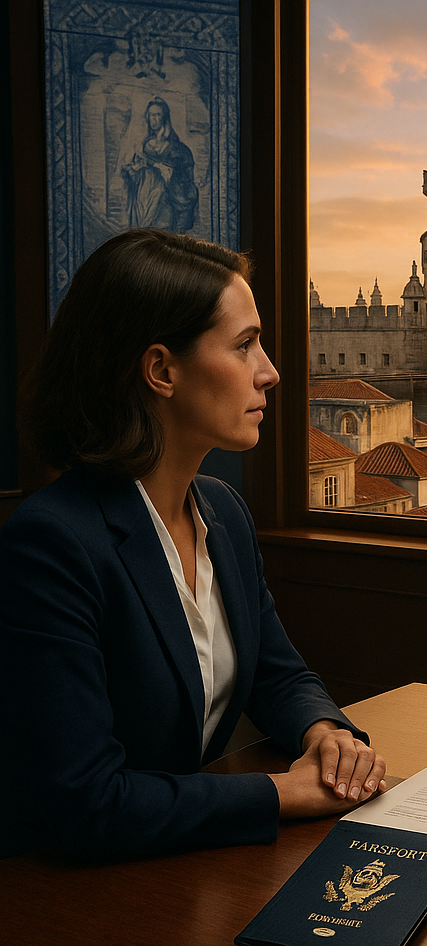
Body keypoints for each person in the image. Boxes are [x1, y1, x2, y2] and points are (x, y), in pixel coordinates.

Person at [0, 229, 386, 861]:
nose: (271, 371)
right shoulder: (52, 544)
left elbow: (277, 673)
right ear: (161, 371)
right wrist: (281, 794)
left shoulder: (224, 512)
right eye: (245, 345)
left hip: (179, 864)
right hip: (65, 903)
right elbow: (82, 802)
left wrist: (325, 732)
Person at [121, 97, 199, 233]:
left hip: (165, 201)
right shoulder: (146, 145)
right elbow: (141, 173)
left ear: (164, 117)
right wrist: (132, 170)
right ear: (147, 117)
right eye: (152, 115)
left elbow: (184, 177)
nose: (155, 119)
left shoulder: (176, 148)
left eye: (158, 115)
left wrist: (167, 172)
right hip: (145, 197)